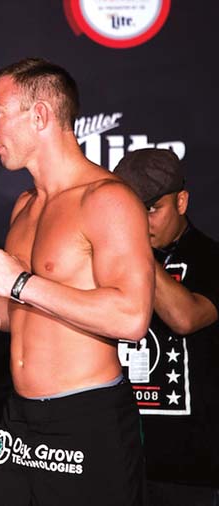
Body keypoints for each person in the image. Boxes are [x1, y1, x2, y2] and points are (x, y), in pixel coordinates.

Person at [0, 58, 155, 506]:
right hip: (19, 422)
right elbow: (16, 314)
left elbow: (131, 317)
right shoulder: (26, 206)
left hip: (86, 419)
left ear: (39, 115)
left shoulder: (107, 199)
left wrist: (22, 283)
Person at [113, 148, 219, 506]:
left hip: (190, 467)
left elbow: (186, 317)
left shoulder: (211, 259)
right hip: (116, 458)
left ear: (182, 201)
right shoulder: (106, 259)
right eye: (131, 210)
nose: (141, 222)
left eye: (152, 209)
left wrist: (134, 250)